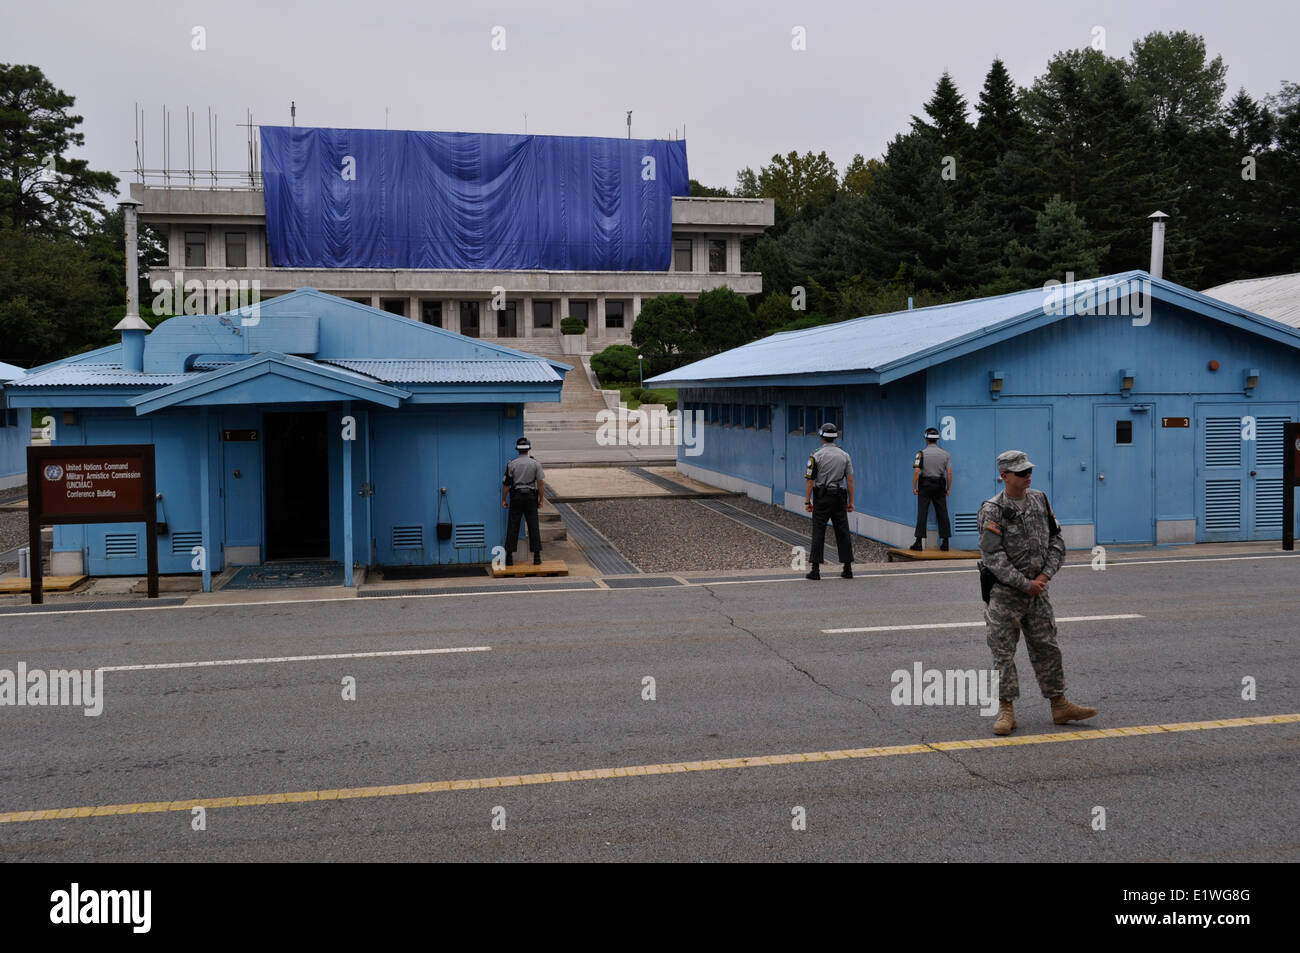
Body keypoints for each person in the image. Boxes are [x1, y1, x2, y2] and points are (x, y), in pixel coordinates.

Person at [978, 450, 1097, 736]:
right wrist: (1024, 583)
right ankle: (1006, 710)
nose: (1027, 475)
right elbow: (992, 556)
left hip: (1038, 591)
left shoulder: (1040, 499)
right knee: (1003, 653)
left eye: (1029, 470)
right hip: (1006, 594)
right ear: (1004, 476)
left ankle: (1059, 704)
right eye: (1020, 472)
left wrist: (1044, 577)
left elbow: (1057, 540)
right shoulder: (992, 510)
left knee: (1047, 648)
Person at [803, 422, 855, 580]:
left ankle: (816, 569)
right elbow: (850, 480)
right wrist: (851, 501)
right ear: (835, 437)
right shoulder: (844, 455)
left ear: (821, 436)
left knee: (819, 530)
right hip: (839, 496)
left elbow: (810, 481)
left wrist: (807, 501)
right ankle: (847, 568)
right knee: (843, 531)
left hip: (822, 496)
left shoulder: (816, 455)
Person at [502, 437, 545, 566]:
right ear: (528, 449)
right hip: (531, 497)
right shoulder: (535, 464)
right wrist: (541, 500)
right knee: (533, 526)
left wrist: (504, 499)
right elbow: (540, 484)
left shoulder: (512, 464)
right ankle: (537, 557)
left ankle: (509, 558)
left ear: (517, 450)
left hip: (516, 497)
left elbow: (506, 485)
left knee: (513, 526)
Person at [912, 426, 952, 551]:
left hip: (925, 484)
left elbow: (917, 471)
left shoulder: (920, 454)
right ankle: (945, 542)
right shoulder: (945, 454)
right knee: (942, 512)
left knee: (922, 512)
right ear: (937, 439)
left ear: (926, 439)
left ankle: (918, 542)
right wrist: (948, 488)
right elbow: (949, 473)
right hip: (940, 484)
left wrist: (914, 487)